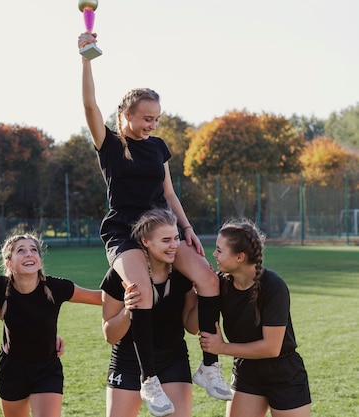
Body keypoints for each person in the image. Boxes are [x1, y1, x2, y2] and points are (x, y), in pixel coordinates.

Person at [78, 30, 231, 416]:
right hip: (125, 232)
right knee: (140, 292)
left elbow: (168, 192)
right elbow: (89, 105)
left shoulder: (158, 147)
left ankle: (209, 368)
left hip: (164, 227)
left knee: (209, 280)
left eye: (156, 118)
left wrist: (189, 229)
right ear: (126, 115)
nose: (151, 124)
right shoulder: (111, 145)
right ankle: (148, 380)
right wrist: (86, 60)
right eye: (146, 118)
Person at [199, 219, 311, 417]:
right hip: (247, 371)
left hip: (284, 374)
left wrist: (222, 348)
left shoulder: (274, 287)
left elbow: (271, 348)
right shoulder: (220, 284)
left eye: (219, 250)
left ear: (240, 257)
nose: (214, 255)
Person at [0, 233, 102, 417]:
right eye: (21, 250)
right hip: (12, 369)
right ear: (8, 263)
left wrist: (134, 289)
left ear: (39, 260)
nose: (29, 254)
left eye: (34, 250)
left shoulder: (56, 287)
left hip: (47, 368)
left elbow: (98, 298)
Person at [102, 208, 198, 417]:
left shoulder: (182, 273)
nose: (174, 245)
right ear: (145, 241)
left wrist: (203, 295)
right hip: (128, 361)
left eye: (176, 238)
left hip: (172, 359)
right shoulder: (120, 273)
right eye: (166, 240)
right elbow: (110, 335)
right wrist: (129, 310)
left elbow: (192, 327)